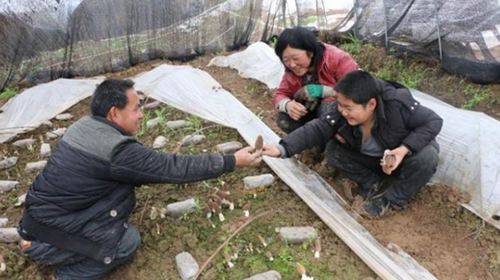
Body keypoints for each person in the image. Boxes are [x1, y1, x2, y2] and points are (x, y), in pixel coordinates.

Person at [17, 79, 262, 280]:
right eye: (135, 109)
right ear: (114, 113)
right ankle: (65, 276)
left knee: (120, 198)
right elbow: (172, 168)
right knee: (126, 241)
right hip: (47, 237)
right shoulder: (117, 152)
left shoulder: (84, 126)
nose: (141, 115)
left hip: (37, 223)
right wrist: (231, 161)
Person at [263, 70, 443, 217]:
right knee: (333, 150)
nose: (342, 111)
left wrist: (403, 150)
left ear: (371, 104)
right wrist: (282, 148)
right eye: (340, 105)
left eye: (348, 108)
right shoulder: (341, 109)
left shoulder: (397, 105)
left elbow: (434, 121)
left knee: (428, 156)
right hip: (370, 159)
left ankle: (391, 201)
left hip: (399, 160)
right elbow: (318, 128)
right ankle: (373, 184)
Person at [273, 26, 358, 134]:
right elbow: (280, 94)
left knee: (327, 107)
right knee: (284, 118)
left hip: (337, 115)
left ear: (310, 52)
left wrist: (324, 91)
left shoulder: (336, 58)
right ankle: (311, 143)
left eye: (296, 58)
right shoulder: (290, 71)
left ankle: (336, 142)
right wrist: (287, 105)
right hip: (312, 114)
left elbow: (357, 89)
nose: (292, 65)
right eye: (286, 60)